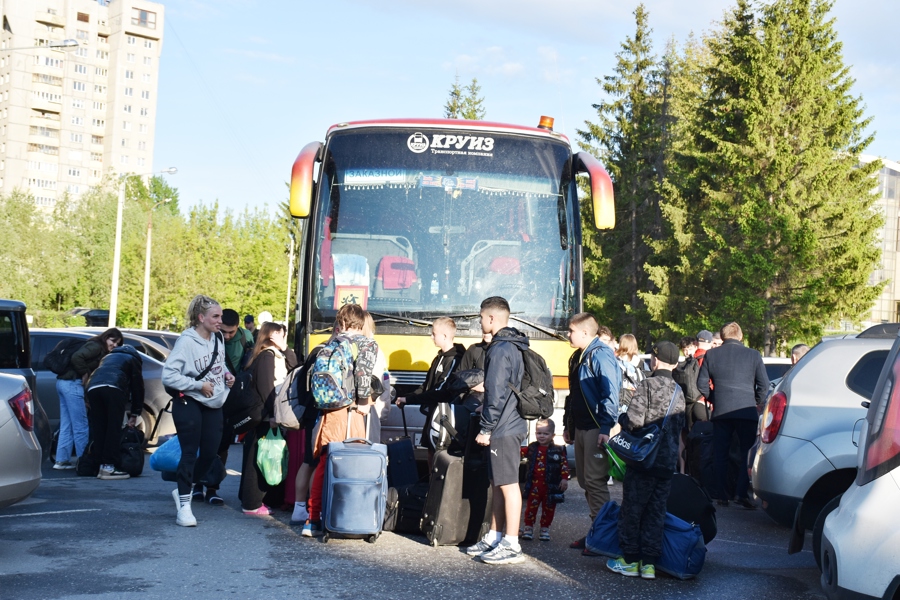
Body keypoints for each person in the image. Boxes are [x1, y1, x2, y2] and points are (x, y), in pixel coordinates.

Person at [607, 340, 685, 580]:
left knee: (633, 509)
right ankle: (649, 564)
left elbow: (634, 421)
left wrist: (622, 418)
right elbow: (680, 426)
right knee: (656, 512)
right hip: (666, 462)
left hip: (644, 460)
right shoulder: (679, 390)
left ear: (656, 359)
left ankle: (630, 560)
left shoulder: (647, 385)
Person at [302, 303, 379, 538]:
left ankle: (312, 519)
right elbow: (363, 376)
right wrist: (365, 404)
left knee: (325, 463)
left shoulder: (332, 343)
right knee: (353, 463)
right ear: (361, 322)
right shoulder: (366, 344)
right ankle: (348, 516)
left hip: (329, 412)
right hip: (351, 411)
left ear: (342, 322)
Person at [466, 296, 529, 565]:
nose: (480, 322)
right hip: (508, 422)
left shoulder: (500, 348)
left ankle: (511, 544)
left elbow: (496, 392)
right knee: (499, 483)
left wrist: (486, 426)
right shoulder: (512, 345)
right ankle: (495, 536)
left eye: (481, 317)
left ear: (492, 319)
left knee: (509, 484)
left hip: (504, 426)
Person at [162, 295, 235, 527]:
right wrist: (197, 385)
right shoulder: (187, 341)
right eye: (216, 316)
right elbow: (169, 375)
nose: (220, 320)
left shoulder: (218, 338)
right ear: (201, 317)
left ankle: (184, 487)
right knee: (190, 453)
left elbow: (219, 362)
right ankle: (184, 507)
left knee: (210, 454)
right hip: (190, 401)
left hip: (213, 403)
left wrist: (226, 374)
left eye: (221, 316)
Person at [562, 312, 621, 550]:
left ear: (585, 333)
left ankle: (603, 537)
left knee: (595, 482)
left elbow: (611, 392)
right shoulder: (578, 356)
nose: (568, 334)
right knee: (587, 482)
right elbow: (573, 393)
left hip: (597, 427)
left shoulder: (600, 355)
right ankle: (596, 532)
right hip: (582, 428)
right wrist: (569, 424)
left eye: (571, 331)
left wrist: (606, 427)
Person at [697, 322, 769, 508]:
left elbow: (701, 384)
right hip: (746, 410)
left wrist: (714, 398)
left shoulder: (711, 354)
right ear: (740, 336)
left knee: (720, 453)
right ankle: (741, 493)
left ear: (722, 336)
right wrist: (755, 401)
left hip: (721, 412)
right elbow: (764, 384)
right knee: (747, 453)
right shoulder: (753, 355)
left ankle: (722, 495)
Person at [193, 308, 253, 505]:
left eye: (231, 332)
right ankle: (197, 486)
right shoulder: (209, 336)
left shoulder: (247, 338)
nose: (227, 336)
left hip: (230, 400)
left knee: (222, 445)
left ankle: (212, 487)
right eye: (224, 332)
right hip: (206, 396)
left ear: (238, 328)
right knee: (202, 442)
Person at [239, 321, 298, 516]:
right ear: (271, 336)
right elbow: (267, 388)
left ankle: (256, 499)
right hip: (264, 415)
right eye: (280, 335)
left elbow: (295, 367)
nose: (284, 339)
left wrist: (285, 348)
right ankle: (251, 503)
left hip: (268, 414)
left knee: (261, 455)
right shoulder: (267, 356)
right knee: (257, 458)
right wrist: (273, 414)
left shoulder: (276, 355)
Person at [53, 328, 123, 470]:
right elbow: (77, 357)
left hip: (63, 383)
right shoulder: (96, 346)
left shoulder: (93, 344)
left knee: (67, 425)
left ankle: (61, 461)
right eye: (113, 341)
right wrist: (85, 373)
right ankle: (84, 461)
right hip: (73, 383)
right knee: (81, 425)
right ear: (106, 337)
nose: (114, 345)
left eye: (117, 343)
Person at [396, 317, 465, 458]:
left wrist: (409, 400)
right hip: (433, 413)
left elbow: (440, 391)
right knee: (429, 450)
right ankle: (431, 480)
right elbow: (427, 386)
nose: (431, 336)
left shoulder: (454, 360)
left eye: (434, 333)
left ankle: (436, 480)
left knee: (439, 454)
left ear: (445, 336)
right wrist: (407, 397)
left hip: (444, 416)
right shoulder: (439, 357)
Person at [84, 344, 144, 480]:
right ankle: (109, 467)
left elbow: (95, 375)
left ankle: (98, 465)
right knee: (113, 429)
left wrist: (86, 398)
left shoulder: (107, 357)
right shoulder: (132, 359)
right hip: (114, 387)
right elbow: (138, 388)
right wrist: (135, 413)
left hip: (93, 388)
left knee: (99, 429)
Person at [520, 418, 569, 542]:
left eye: (545, 433)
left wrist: (564, 479)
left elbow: (564, 464)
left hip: (551, 486)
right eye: (539, 433)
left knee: (549, 508)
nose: (541, 436)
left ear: (552, 435)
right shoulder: (532, 448)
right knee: (531, 507)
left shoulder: (558, 450)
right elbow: (520, 452)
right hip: (534, 485)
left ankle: (545, 528)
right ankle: (528, 527)